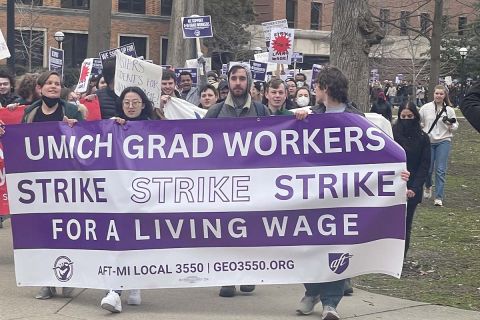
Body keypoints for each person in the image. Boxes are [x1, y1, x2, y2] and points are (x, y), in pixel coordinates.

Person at [204, 64, 269, 297]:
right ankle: (227, 278)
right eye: (234, 78)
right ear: (228, 82)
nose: (238, 83)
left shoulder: (261, 111)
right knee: (225, 230)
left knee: (250, 229)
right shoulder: (215, 112)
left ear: (249, 82)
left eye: (243, 78)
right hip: (223, 184)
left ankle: (248, 273)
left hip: (253, 185)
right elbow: (200, 147)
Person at [21, 71, 82, 299]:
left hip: (67, 182)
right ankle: (47, 281)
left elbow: (89, 142)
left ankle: (70, 278)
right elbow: (21, 142)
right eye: (49, 83)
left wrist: (76, 127)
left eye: (57, 83)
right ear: (40, 87)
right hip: (39, 183)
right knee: (44, 233)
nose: (54, 87)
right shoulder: (30, 112)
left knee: (66, 232)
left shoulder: (72, 110)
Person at [100, 86, 154, 313]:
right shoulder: (113, 126)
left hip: (147, 196)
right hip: (119, 196)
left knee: (137, 241)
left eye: (135, 102)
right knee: (120, 239)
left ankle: (131, 285)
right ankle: (115, 290)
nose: (130, 106)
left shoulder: (156, 128)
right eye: (126, 102)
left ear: (143, 104)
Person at [393, 102, 430, 258]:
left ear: (415, 116)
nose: (406, 119)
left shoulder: (423, 138)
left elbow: (424, 165)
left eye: (409, 116)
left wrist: (414, 188)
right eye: (403, 116)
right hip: (393, 185)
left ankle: (401, 255)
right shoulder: (392, 134)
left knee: (406, 223)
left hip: (413, 186)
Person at [419, 85, 458, 207]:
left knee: (440, 170)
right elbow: (418, 121)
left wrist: (449, 125)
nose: (438, 96)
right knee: (428, 169)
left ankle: (439, 197)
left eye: (441, 94)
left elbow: (455, 125)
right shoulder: (425, 108)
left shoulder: (449, 110)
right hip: (428, 141)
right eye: (437, 93)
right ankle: (428, 185)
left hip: (444, 140)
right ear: (433, 94)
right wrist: (420, 127)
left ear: (445, 95)